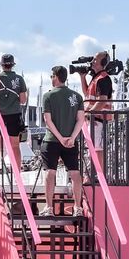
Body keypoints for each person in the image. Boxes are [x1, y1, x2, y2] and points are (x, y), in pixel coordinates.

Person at [40, 66, 86, 217]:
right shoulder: (77, 96)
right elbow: (80, 120)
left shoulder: (48, 96)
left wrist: (60, 138)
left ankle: (48, 207)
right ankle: (77, 207)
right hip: (70, 141)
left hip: (52, 140)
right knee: (75, 172)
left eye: (51, 76)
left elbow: (48, 121)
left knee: (50, 172)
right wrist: (71, 137)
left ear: (55, 77)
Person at [0, 54, 27, 182]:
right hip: (14, 114)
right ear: (13, 65)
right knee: (15, 146)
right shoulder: (19, 79)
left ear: (1, 65)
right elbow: (23, 100)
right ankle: (17, 174)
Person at [78, 50, 113, 175]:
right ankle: (95, 175)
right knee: (93, 149)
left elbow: (102, 101)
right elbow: (87, 93)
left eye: (95, 60)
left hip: (97, 119)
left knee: (97, 149)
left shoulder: (103, 78)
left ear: (102, 62)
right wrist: (82, 77)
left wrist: (89, 113)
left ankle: (99, 176)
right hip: (92, 119)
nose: (92, 62)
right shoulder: (96, 78)